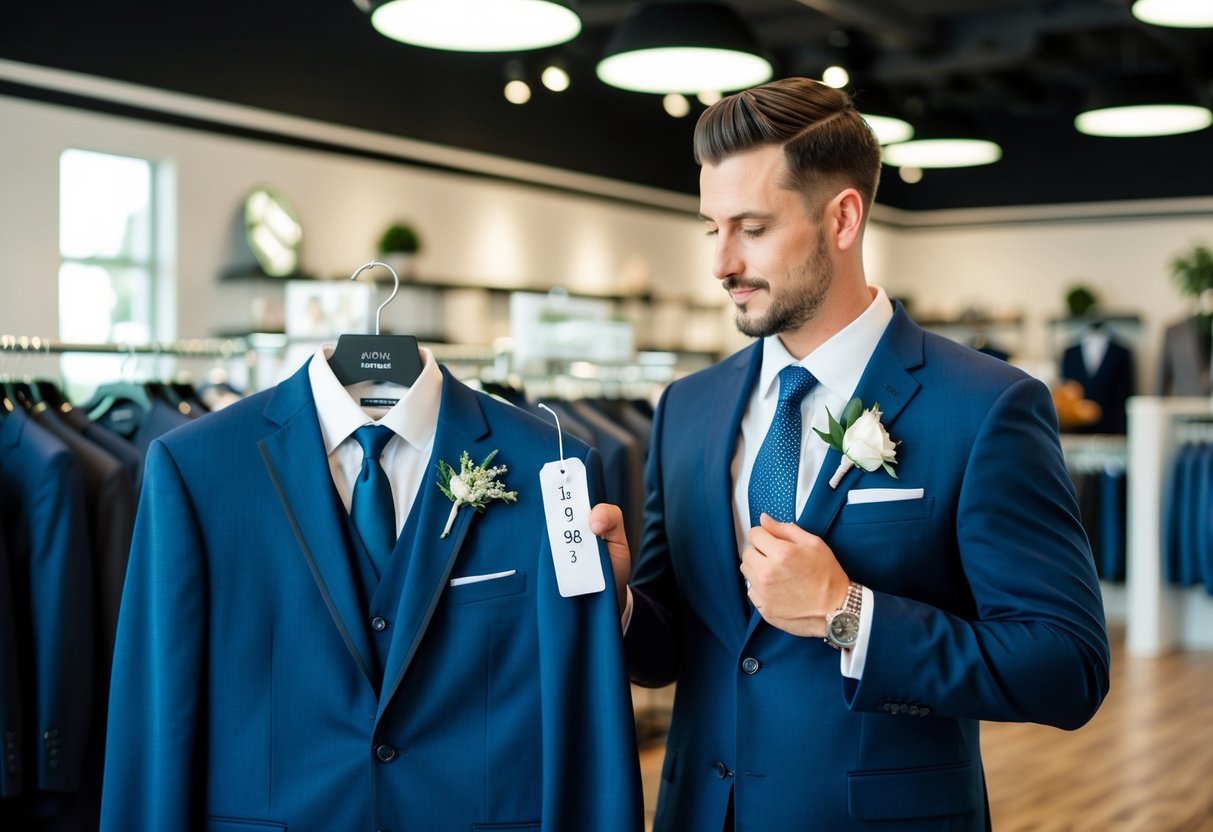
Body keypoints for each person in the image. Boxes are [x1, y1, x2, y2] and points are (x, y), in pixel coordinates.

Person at [590, 77, 1110, 832]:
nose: (721, 264)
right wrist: (620, 599)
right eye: (712, 229)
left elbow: (1065, 667)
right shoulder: (686, 407)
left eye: (752, 227)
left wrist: (847, 614)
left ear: (841, 218)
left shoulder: (986, 405)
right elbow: (676, 649)